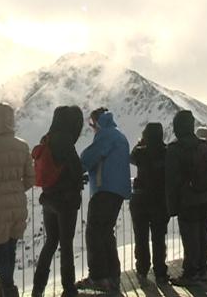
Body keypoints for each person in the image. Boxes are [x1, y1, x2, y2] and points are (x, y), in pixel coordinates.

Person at [0, 103, 35, 297]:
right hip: (18, 205)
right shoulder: (22, 145)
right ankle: (4, 290)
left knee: (0, 251)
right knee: (10, 249)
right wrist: (16, 189)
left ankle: (9, 291)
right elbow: (30, 179)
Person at [76, 108, 131, 293]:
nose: (92, 128)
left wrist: (75, 169)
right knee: (106, 232)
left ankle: (99, 277)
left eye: (91, 124)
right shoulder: (119, 135)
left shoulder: (105, 135)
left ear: (97, 122)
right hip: (117, 191)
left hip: (104, 189)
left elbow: (90, 157)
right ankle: (112, 276)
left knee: (94, 232)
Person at [32, 106, 84, 297]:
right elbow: (75, 168)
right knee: (66, 244)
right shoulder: (65, 140)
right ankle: (69, 288)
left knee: (51, 242)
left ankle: (38, 288)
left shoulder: (47, 138)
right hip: (65, 202)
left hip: (48, 199)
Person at [166, 111, 207, 286]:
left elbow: (171, 181)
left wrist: (171, 206)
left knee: (190, 239)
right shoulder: (205, 146)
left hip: (188, 201)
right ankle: (202, 269)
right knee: (204, 235)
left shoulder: (175, 150)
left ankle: (190, 273)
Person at [130, 123, 170, 285]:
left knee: (141, 237)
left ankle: (142, 269)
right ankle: (160, 272)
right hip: (160, 200)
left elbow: (131, 157)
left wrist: (141, 142)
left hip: (140, 200)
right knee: (159, 238)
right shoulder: (167, 152)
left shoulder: (140, 152)